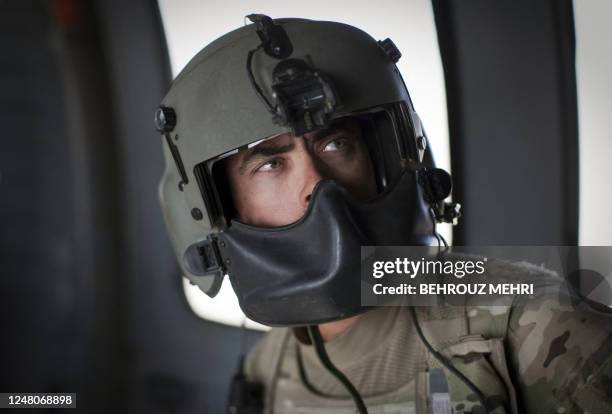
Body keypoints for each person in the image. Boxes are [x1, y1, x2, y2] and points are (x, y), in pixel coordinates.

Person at [156, 14, 612, 414]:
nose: (318, 184)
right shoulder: (267, 368)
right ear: (219, 207)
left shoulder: (536, 322)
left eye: (336, 144)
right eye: (271, 164)